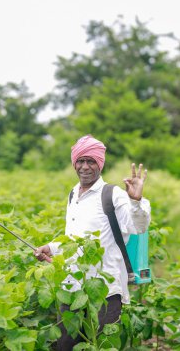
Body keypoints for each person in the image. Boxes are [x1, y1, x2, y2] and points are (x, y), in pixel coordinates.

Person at [34, 134, 151, 350]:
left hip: (104, 290)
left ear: (100, 164)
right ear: (74, 163)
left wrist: (136, 201)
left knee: (103, 344)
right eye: (81, 161)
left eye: (91, 161)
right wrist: (50, 248)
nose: (85, 167)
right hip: (72, 286)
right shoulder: (73, 194)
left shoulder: (113, 194)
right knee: (65, 345)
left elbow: (138, 227)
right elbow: (73, 238)